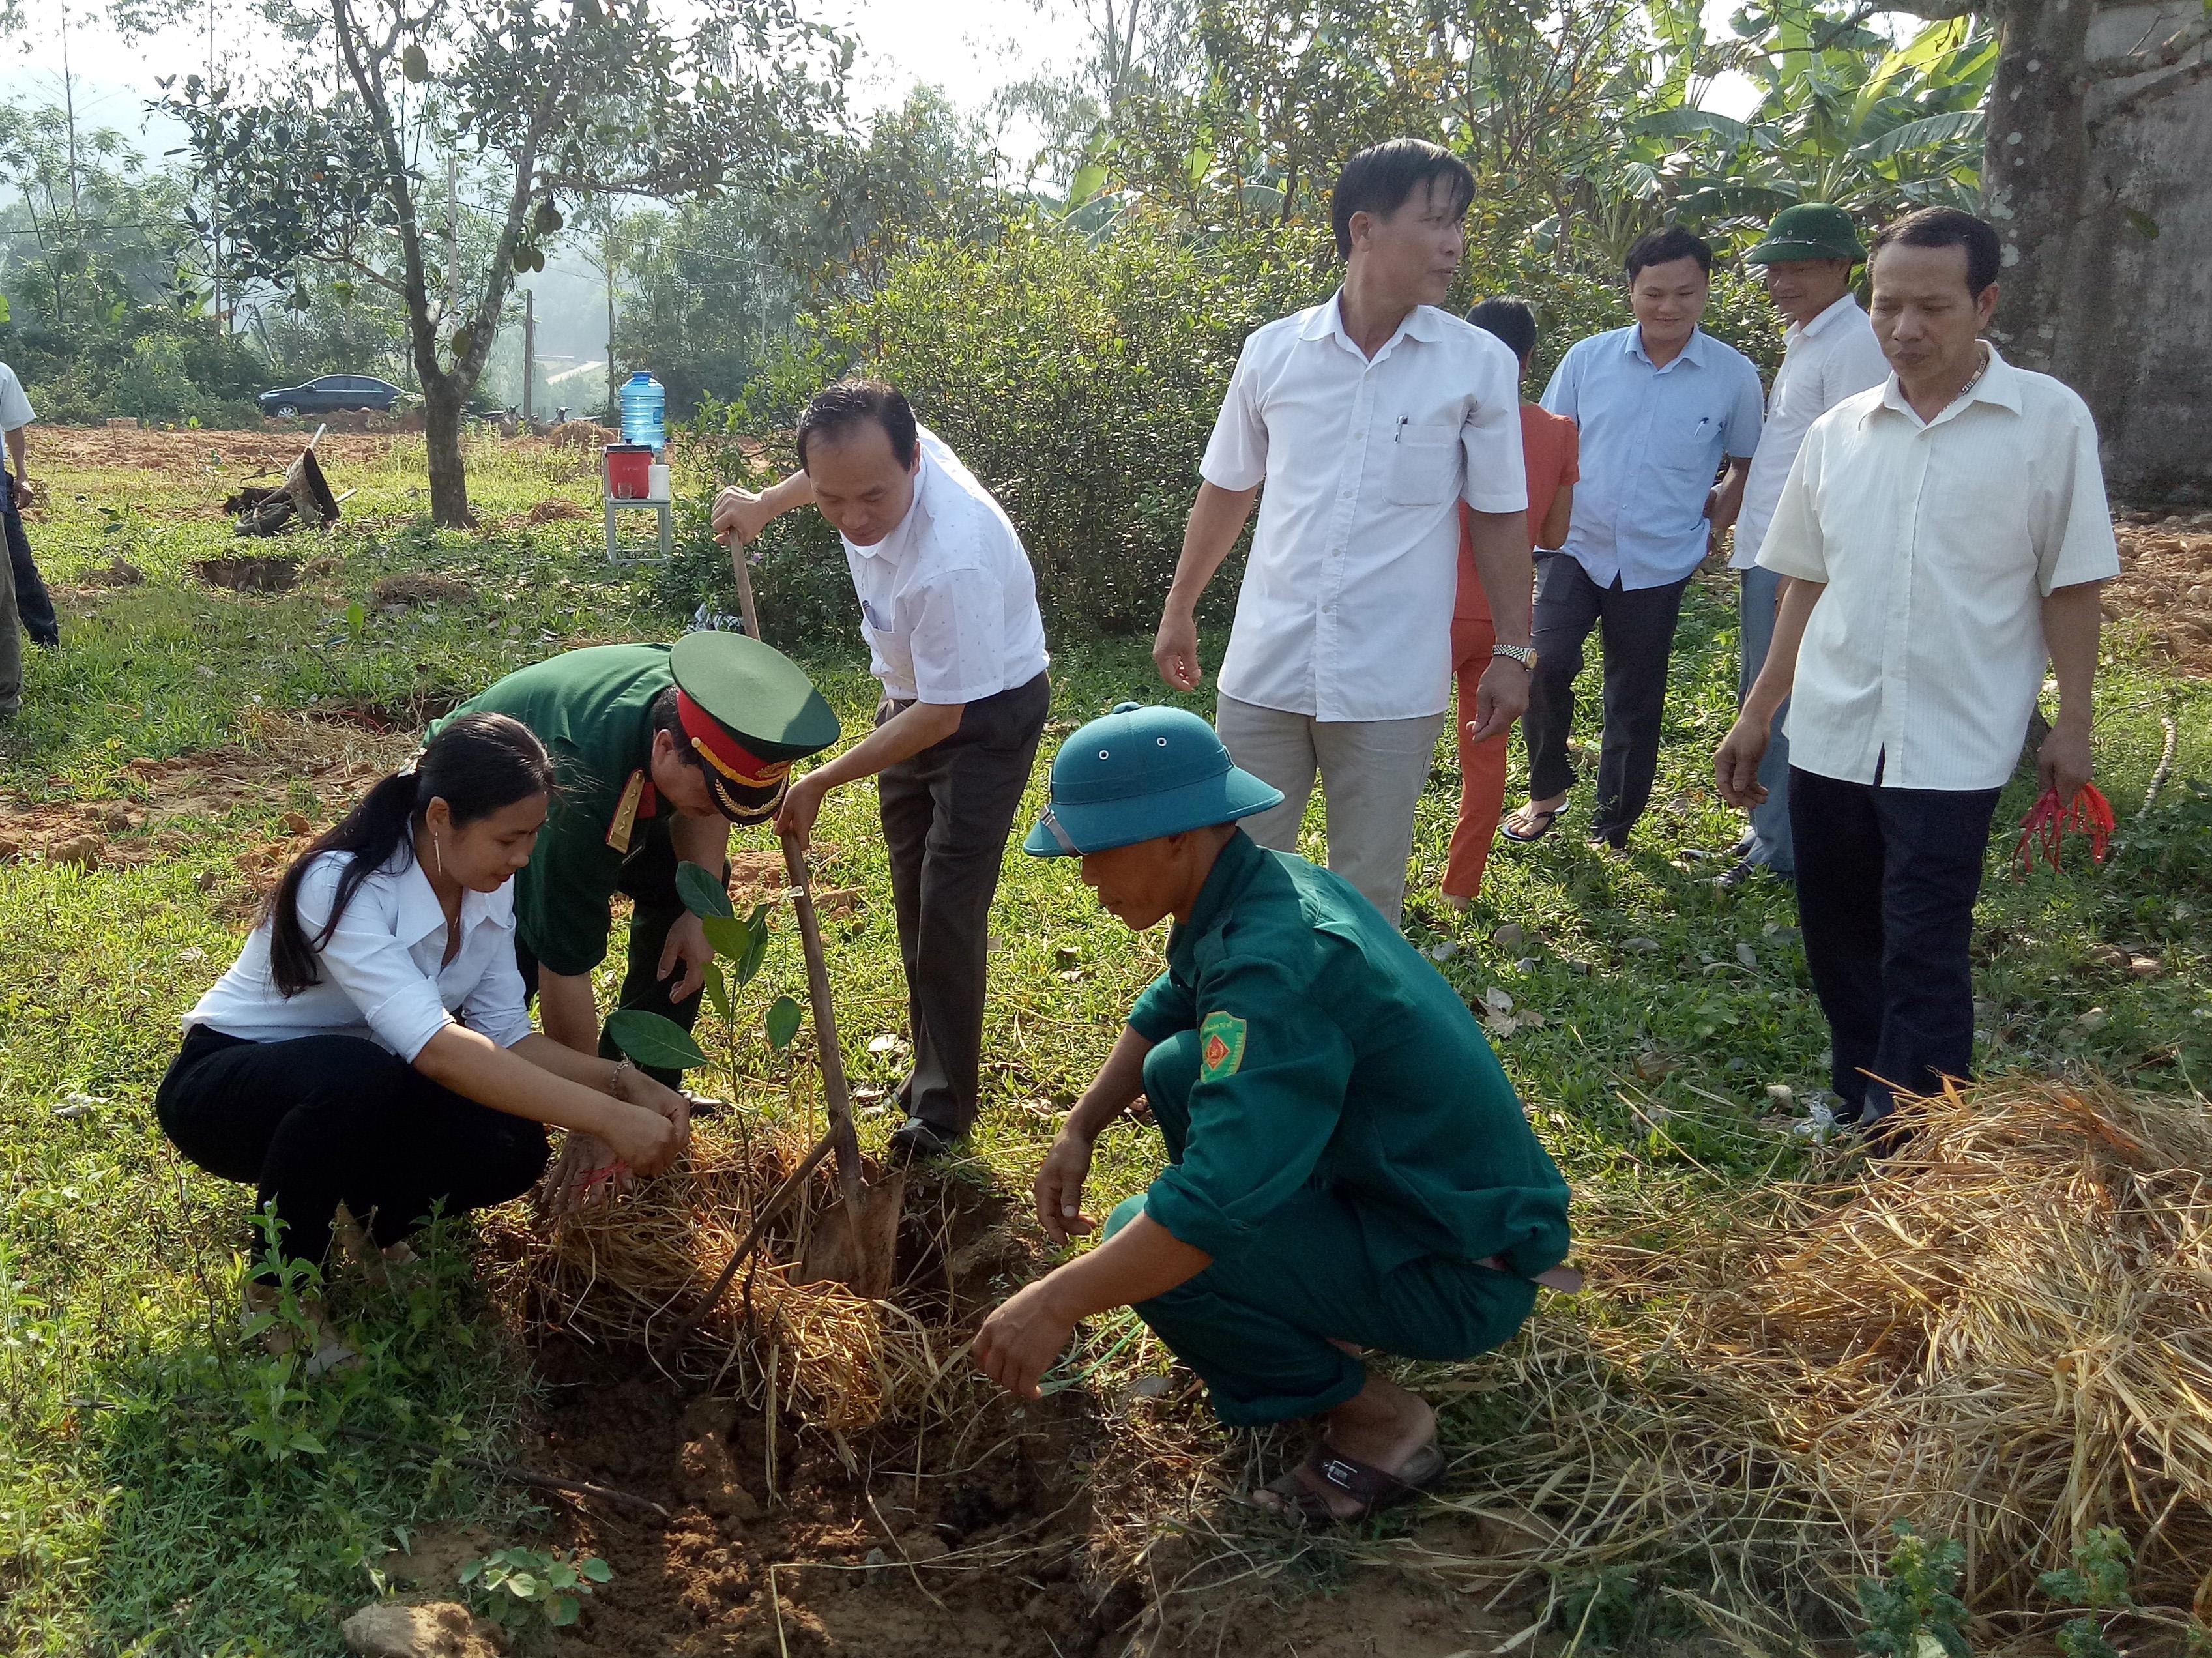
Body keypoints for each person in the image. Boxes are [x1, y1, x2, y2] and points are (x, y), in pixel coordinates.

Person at [975, 703, 1574, 1522]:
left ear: (1177, 836)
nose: (1087, 881)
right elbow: (1174, 999)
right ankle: (1308, 1320)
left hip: (1461, 1269)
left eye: (1097, 855)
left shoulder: (1273, 967)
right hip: (1412, 1201)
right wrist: (1079, 1126)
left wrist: (1056, 1301)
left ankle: (1382, 1425)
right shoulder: (1262, 884)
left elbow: (1209, 1208)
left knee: (1144, 1238)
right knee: (1179, 1067)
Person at [1715, 207, 2118, 1142]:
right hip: (1831, 730)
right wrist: (1755, 713)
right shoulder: (1840, 432)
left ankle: (1918, 1138)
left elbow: (2070, 581)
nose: (1904, 330)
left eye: (1931, 308)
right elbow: (1804, 586)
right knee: (1839, 936)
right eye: (1886, 306)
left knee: (1923, 945)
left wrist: (2075, 721)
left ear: (1984, 303)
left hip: (1955, 738)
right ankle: (1859, 1098)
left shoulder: (2045, 422)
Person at [157, 715, 693, 1370]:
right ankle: (280, 1299)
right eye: (509, 838)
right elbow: (438, 1048)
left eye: (531, 838)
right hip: (230, 1091)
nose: (523, 857)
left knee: (510, 1146)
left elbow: (506, 1039)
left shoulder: (488, 889)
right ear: (440, 817)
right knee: (352, 1074)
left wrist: (619, 1080)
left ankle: (373, 1226)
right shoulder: (344, 883)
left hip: (361, 1085)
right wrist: (609, 1121)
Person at [1151, 139, 1534, 927]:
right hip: (1266, 663)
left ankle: (1353, 1045)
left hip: (1389, 679)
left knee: (1366, 894)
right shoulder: (1273, 352)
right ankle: (1235, 1033)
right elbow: (1228, 488)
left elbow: (1500, 516)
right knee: (1233, 877)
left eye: (1458, 222)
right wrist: (1180, 604)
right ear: (1364, 228)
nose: (1454, 243)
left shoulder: (1477, 365)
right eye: (1434, 221)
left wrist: (1513, 648)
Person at [709, 381, 1051, 1161]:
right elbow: (825, 475)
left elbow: (946, 717)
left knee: (949, 905)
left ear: (914, 461)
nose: (854, 519)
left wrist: (824, 779)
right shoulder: (861, 457)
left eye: (874, 497)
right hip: (911, 697)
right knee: (912, 898)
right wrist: (767, 502)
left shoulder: (950, 557)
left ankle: (941, 1113)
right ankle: (930, 1070)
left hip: (984, 714)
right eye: (834, 500)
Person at [435, 633, 840, 1204]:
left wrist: (702, 908)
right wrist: (591, 1120)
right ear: (666, 748)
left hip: (625, 791)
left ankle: (650, 1089)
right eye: (708, 798)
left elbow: (707, 806)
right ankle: (458, 1128)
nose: (712, 811)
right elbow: (565, 969)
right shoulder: (576, 787)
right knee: (520, 954)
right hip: (488, 810)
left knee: (694, 905)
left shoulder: (699, 715)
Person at [1503, 227, 1764, 852]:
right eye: (1654, 293)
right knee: (1544, 666)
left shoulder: (1733, 375)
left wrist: (1713, 532)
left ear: (1706, 292)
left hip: (1661, 558)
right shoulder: (1588, 360)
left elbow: (1747, 462)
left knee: (1635, 693)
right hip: (1572, 544)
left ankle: (1613, 824)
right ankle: (1548, 791)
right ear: (1631, 293)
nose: (1668, 307)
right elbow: (1544, 447)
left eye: (1684, 293)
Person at [1715, 204, 1891, 891]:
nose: (1779, 282)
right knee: (1762, 688)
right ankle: (1769, 828)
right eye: (1774, 269)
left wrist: (1807, 568)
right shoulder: (1810, 337)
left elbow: (1854, 460)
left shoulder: (1852, 343)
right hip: (1770, 547)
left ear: (1841, 268)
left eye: (1797, 268)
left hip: (1797, 559)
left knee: (1781, 698)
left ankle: (1784, 851)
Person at [1442, 298, 1579, 911]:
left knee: (1392, 750)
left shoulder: (1441, 419)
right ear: (1528, 360)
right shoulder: (1557, 431)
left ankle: (1374, 881)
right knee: (1486, 750)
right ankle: (1461, 890)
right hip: (1507, 624)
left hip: (1429, 610)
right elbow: (1553, 536)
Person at [0, 357, 60, 652]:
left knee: (18, 562)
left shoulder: (2, 374)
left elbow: (13, 428)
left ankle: (47, 640)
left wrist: (22, 476)